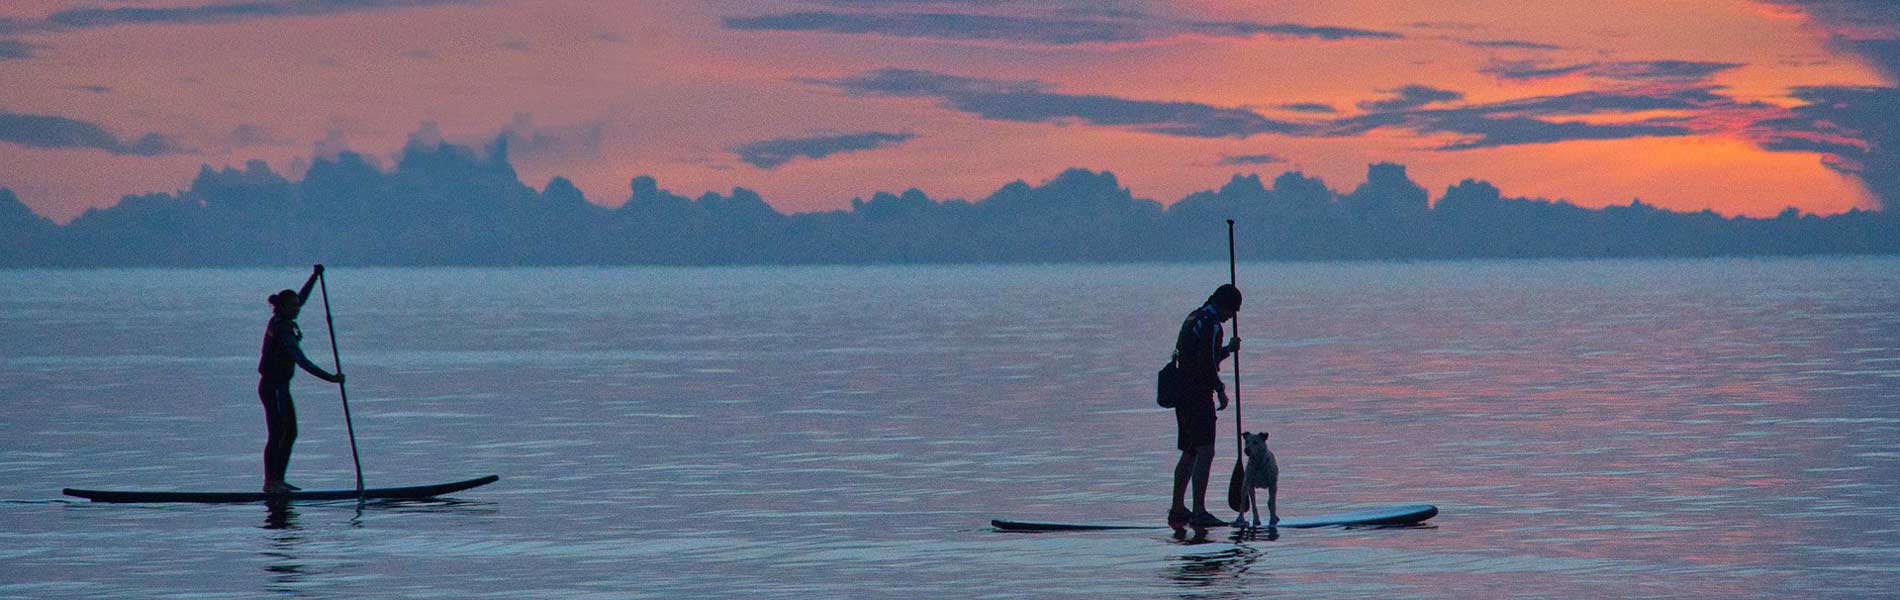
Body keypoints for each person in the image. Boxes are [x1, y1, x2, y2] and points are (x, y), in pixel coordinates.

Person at [257, 264, 344, 493]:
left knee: (291, 431)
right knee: (277, 432)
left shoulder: (284, 315)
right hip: (272, 388)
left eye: (297, 306)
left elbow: (301, 298)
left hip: (282, 388)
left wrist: (314, 277)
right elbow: (301, 360)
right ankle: (271, 483)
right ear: (283, 307)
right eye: (293, 307)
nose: (298, 310)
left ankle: (278, 480)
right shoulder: (282, 330)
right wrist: (331, 378)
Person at [1169, 283, 1241, 528]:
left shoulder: (1194, 318)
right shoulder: (1211, 324)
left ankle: (1178, 508)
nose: (1230, 318)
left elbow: (1200, 355)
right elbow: (1207, 363)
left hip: (1182, 394)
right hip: (1198, 396)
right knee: (1205, 451)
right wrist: (1220, 389)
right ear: (1223, 306)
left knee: (1190, 451)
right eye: (1231, 313)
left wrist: (1228, 350)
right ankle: (1199, 511)